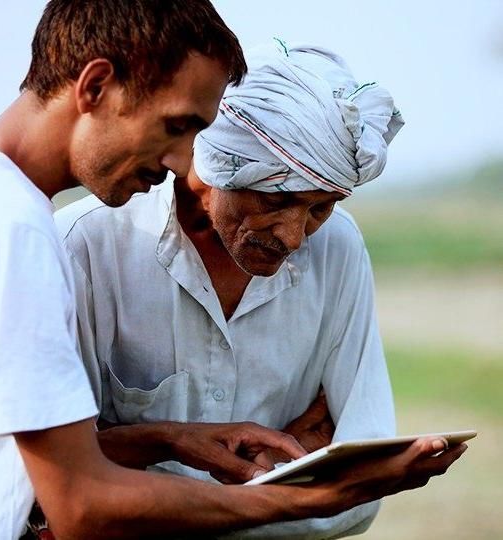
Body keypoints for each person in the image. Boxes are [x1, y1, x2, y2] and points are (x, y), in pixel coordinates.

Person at [55, 42, 466, 539]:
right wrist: (287, 485)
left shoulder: (338, 249)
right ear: (216, 167)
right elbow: (58, 481)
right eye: (278, 199)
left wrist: (141, 465)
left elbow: (361, 485)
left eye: (321, 208)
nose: (294, 237)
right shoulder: (88, 245)